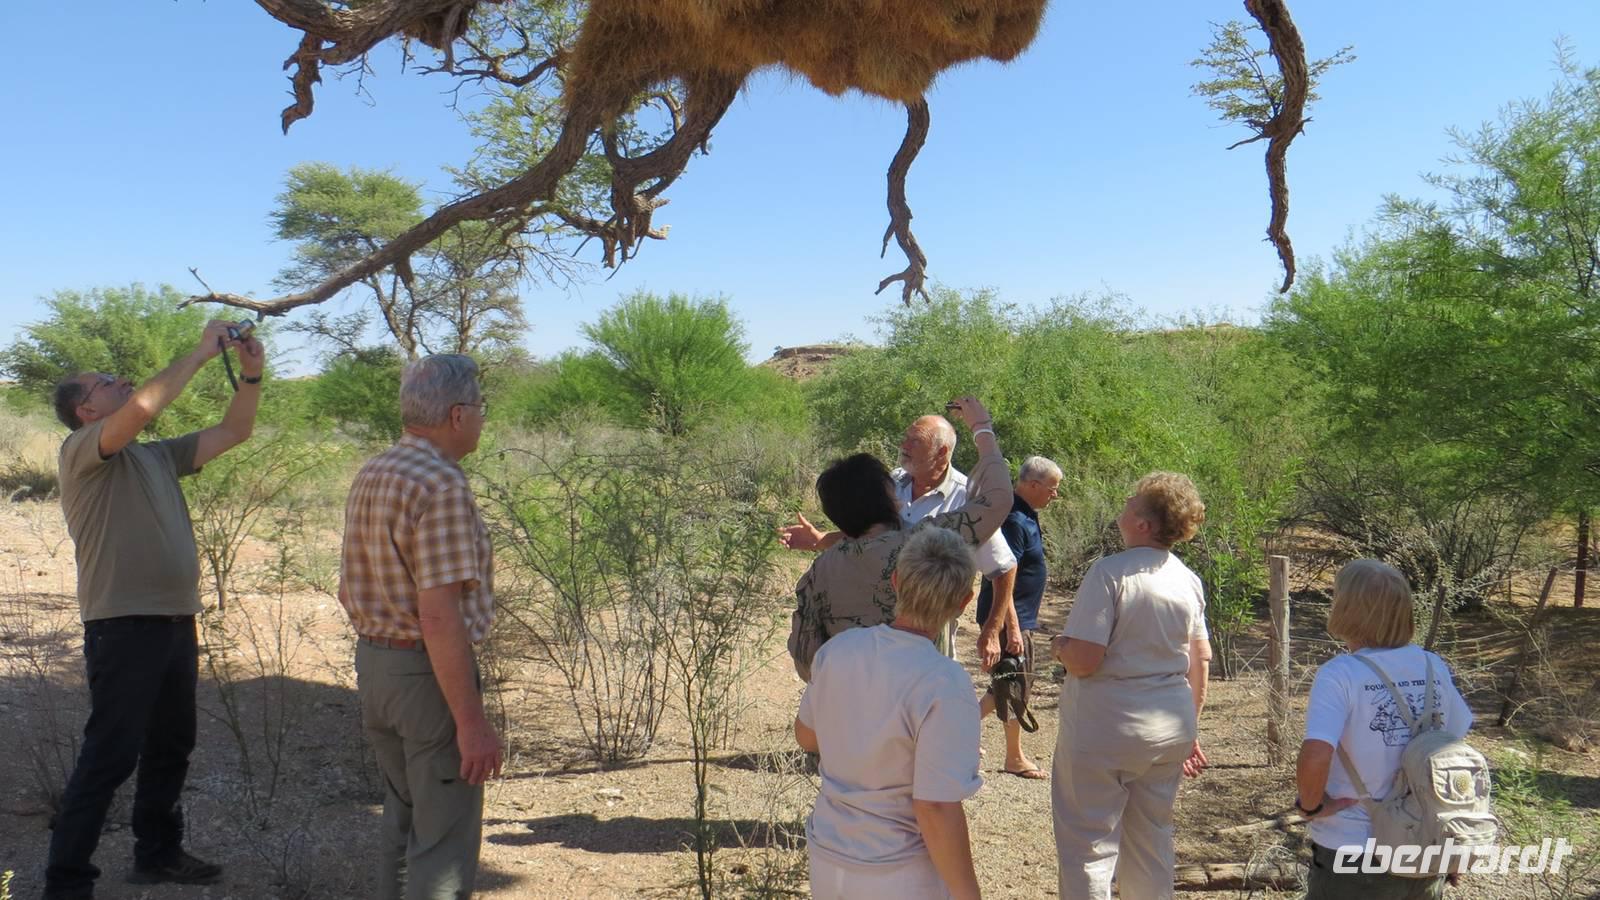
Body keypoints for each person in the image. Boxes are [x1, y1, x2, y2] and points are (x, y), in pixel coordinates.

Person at [44, 320, 265, 899]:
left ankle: (158, 854)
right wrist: (198, 352)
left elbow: (235, 430)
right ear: (85, 411)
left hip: (173, 619)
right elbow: (142, 407)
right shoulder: (82, 451)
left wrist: (251, 372)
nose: (120, 382)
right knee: (110, 755)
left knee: (171, 745)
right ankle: (65, 882)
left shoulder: (157, 457)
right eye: (105, 383)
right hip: (122, 623)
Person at [338, 354, 502, 900]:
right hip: (424, 674)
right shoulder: (442, 485)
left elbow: (348, 586)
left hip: (375, 667)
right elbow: (439, 614)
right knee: (443, 841)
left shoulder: (376, 470)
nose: (482, 417)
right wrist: (471, 723)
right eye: (480, 407)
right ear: (457, 415)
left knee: (404, 820)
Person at [795, 526, 985, 900]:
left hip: (828, 853)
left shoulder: (840, 649)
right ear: (965, 601)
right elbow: (934, 806)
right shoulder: (945, 682)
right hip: (898, 871)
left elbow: (807, 736)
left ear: (896, 581)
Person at [1050, 472, 1212, 900]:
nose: (1123, 504)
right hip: (1169, 729)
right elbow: (1200, 662)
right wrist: (1190, 728)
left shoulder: (1110, 573)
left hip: (1106, 729)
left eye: (1132, 501)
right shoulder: (1187, 578)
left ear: (1144, 524)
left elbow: (1085, 661)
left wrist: (1059, 646)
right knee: (1151, 841)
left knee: (1088, 846)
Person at [784, 397, 1011, 681]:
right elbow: (998, 500)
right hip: (912, 691)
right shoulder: (918, 546)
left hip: (844, 702)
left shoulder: (818, 571)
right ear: (885, 498)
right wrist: (982, 428)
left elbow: (806, 661)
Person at [1296, 559, 1474, 899]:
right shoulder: (1431, 664)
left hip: (1354, 849)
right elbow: (1453, 752)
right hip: (1423, 841)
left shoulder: (1340, 674)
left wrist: (1311, 805)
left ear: (1347, 609)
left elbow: (1316, 753)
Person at [975, 454, 1062, 780]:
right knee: (1011, 684)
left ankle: (1013, 755)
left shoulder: (1026, 514)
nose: (1055, 495)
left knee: (1013, 684)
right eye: (1051, 488)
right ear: (1033, 484)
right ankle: (964, 734)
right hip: (1010, 619)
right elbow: (1000, 574)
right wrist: (1010, 626)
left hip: (1020, 618)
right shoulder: (1013, 519)